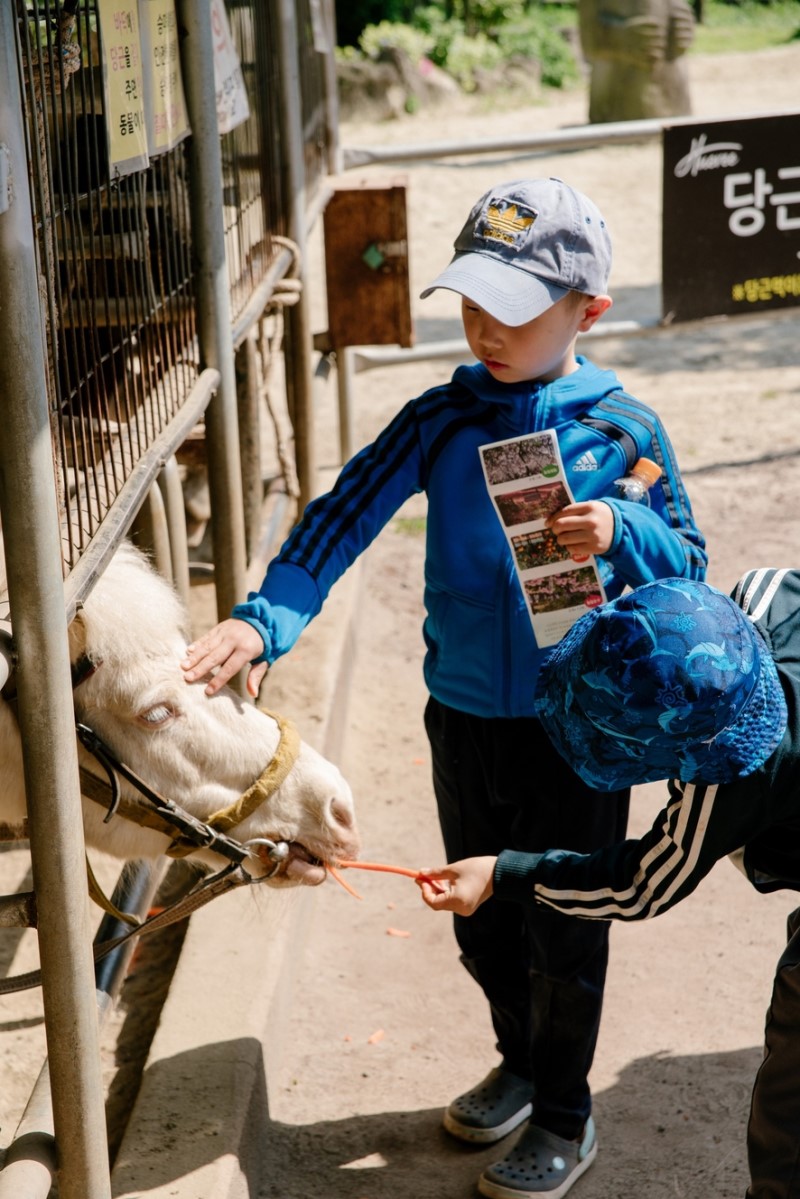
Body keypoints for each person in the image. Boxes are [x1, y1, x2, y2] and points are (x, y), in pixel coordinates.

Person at [181, 177, 707, 1199]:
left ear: (586, 312)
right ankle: (520, 1057)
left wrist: (622, 529)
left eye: (512, 310)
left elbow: (685, 554)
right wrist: (263, 616)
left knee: (562, 916)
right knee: (480, 917)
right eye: (470, 301)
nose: (482, 327)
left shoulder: (621, 428)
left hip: (579, 726)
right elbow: (338, 518)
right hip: (461, 714)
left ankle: (564, 1108)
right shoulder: (438, 419)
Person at [419, 569, 800, 1199]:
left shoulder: (729, 779)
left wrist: (503, 872)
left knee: (791, 1101)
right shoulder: (767, 594)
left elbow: (642, 884)